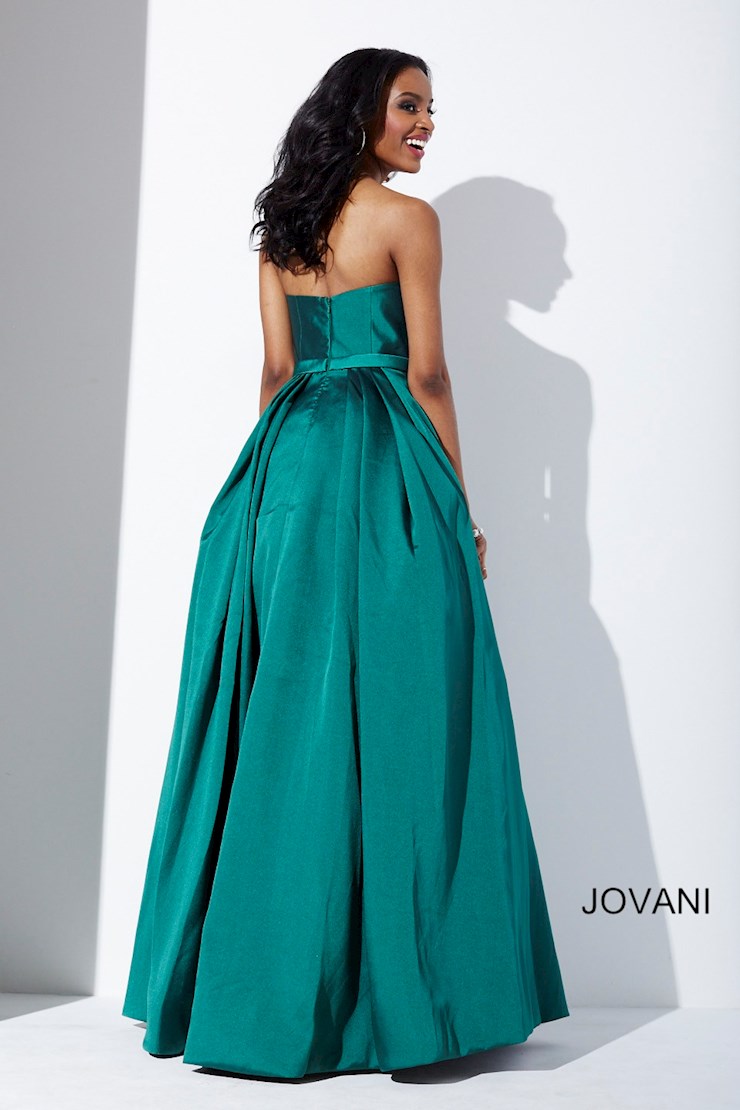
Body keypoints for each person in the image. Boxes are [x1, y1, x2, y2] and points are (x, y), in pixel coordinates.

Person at [122, 47, 569, 1080]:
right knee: (408, 710)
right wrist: (456, 512)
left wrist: (265, 507)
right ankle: (408, 999)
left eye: (430, 109)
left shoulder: (281, 228)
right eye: (409, 105)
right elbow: (428, 373)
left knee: (284, 709)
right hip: (383, 471)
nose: (426, 125)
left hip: (284, 471)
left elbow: (277, 372)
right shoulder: (408, 221)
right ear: (361, 109)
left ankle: (262, 989)